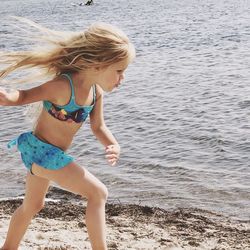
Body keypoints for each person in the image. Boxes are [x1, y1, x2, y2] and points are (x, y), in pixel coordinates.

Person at [0, 17, 135, 250]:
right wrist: (7, 98)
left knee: (33, 206)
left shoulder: (95, 92)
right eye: (119, 71)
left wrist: (112, 144)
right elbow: (23, 96)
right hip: (42, 152)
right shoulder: (63, 86)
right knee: (98, 193)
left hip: (44, 154)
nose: (122, 78)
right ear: (99, 64)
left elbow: (98, 127)